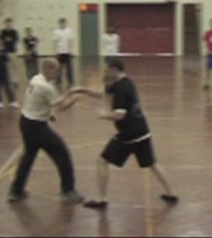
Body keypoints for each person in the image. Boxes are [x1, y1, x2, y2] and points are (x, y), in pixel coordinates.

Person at [72, 60, 178, 209]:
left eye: (108, 70)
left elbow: (119, 115)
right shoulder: (126, 82)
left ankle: (101, 199)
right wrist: (81, 90)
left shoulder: (121, 88)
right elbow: (102, 92)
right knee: (153, 163)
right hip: (143, 131)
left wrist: (103, 115)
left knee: (102, 161)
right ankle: (171, 193)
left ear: (115, 70)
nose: (106, 74)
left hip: (129, 135)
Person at [8, 58, 83, 203]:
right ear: (49, 69)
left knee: (28, 157)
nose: (58, 73)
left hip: (26, 122)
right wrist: (75, 97)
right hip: (36, 127)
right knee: (62, 153)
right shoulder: (47, 87)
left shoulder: (36, 79)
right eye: (56, 70)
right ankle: (68, 190)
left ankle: (16, 190)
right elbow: (61, 106)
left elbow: (42, 102)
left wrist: (48, 114)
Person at [53, 18, 75, 88]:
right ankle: (58, 81)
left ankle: (70, 81)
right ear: (59, 23)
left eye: (63, 23)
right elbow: (55, 42)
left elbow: (71, 41)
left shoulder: (69, 31)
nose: (62, 24)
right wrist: (55, 52)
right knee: (59, 68)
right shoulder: (56, 32)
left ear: (65, 23)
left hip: (67, 51)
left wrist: (71, 51)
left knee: (69, 68)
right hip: (59, 51)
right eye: (61, 23)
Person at [0, 18, 20, 87]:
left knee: (14, 66)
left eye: (10, 23)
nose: (8, 25)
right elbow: (1, 41)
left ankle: (15, 80)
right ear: (5, 24)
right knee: (6, 67)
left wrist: (9, 40)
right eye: (7, 23)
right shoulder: (3, 32)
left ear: (11, 24)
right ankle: (7, 80)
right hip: (5, 51)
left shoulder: (14, 32)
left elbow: (16, 40)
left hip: (13, 51)